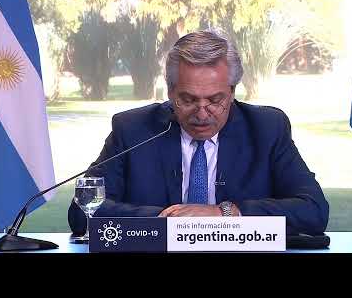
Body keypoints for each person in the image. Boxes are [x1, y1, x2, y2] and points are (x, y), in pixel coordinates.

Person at [68, 29, 329, 236]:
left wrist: (224, 214)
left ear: (232, 92)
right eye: (188, 100)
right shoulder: (133, 129)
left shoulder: (267, 128)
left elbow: (313, 210)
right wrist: (169, 222)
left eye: (215, 100)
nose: (202, 113)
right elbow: (82, 211)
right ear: (170, 92)